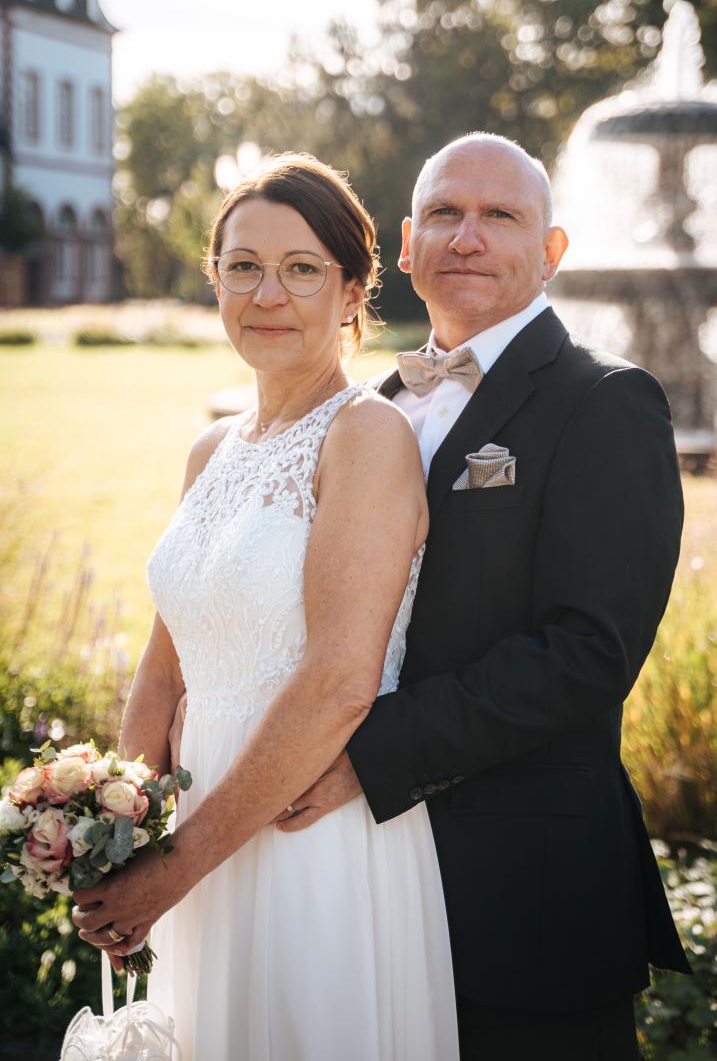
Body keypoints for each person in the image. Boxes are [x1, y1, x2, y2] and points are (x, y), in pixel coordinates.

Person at [275, 133, 692, 1060]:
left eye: (500, 215)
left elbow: (587, 654)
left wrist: (370, 756)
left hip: (525, 890)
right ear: (408, 245)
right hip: (357, 878)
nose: (467, 237)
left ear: (551, 252)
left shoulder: (606, 402)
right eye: (444, 214)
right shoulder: (365, 409)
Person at [72, 154, 460, 1060]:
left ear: (353, 290)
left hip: (310, 839)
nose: (267, 295)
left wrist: (170, 869)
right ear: (216, 280)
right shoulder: (211, 450)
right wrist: (117, 840)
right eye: (243, 266)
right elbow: (164, 669)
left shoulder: (367, 437)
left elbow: (339, 682)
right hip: (194, 844)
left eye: (301, 269)